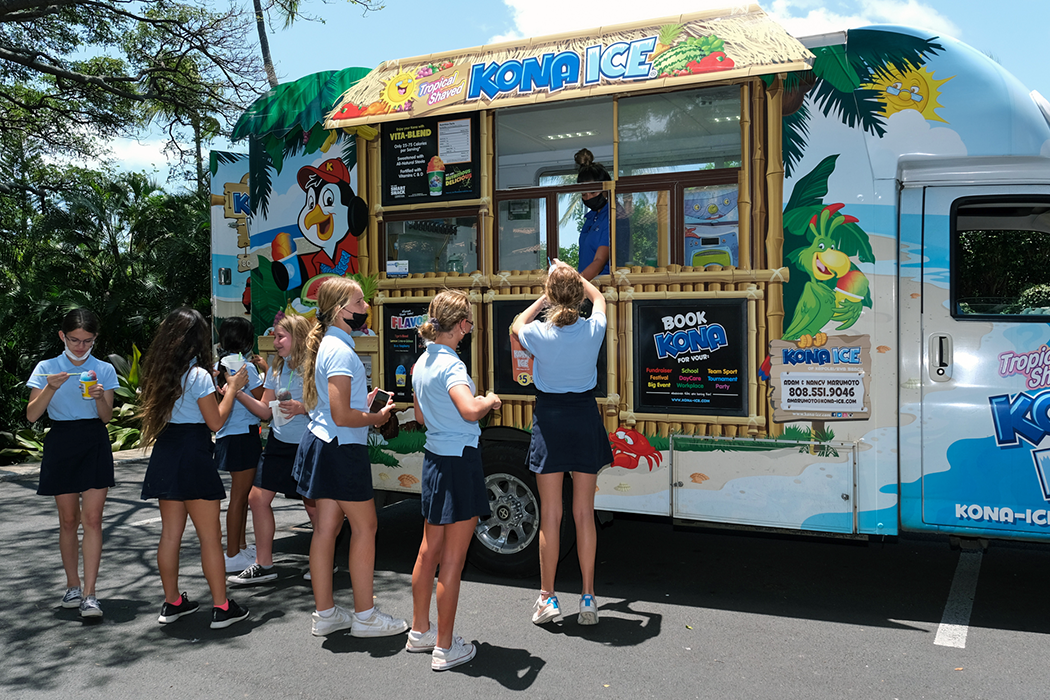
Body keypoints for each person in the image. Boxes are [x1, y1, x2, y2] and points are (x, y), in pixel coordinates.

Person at [292, 277, 408, 638]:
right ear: (340, 310)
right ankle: (365, 616)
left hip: (325, 444)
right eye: (358, 303)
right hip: (342, 447)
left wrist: (364, 405)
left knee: (326, 529)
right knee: (365, 527)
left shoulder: (331, 344)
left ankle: (326, 613)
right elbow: (343, 415)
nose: (365, 308)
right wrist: (377, 417)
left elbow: (336, 407)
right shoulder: (341, 351)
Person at [511, 260, 612, 626]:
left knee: (551, 515)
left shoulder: (538, 333)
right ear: (578, 297)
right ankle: (588, 597)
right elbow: (598, 296)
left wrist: (544, 296)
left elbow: (515, 324)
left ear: (552, 296)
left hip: (551, 421)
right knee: (584, 513)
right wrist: (574, 276)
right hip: (584, 418)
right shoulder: (595, 328)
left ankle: (548, 598)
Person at [138, 308, 251, 629]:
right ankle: (222, 606)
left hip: (167, 452)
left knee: (170, 535)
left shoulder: (160, 372)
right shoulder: (199, 375)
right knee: (210, 538)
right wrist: (232, 388)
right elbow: (215, 421)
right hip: (194, 453)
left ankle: (172, 602)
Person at [407, 290, 500, 671]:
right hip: (459, 462)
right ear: (461, 324)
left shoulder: (422, 363)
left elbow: (422, 417)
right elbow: (468, 409)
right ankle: (445, 648)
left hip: (434, 461)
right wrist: (489, 400)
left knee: (428, 551)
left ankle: (420, 632)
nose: (469, 329)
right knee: (452, 561)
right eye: (469, 322)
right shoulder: (452, 366)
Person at [26, 308, 118, 620]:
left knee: (92, 520)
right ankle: (72, 586)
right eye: (75, 340)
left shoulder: (103, 369)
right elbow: (32, 415)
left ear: (95, 340)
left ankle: (90, 594)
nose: (81, 347)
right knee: (68, 520)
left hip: (93, 439)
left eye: (88, 341)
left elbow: (106, 417)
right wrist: (50, 386)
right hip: (61, 440)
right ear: (62, 336)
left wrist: (98, 397)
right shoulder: (46, 367)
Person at [228, 313, 318, 585]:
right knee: (257, 499)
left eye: (280, 336)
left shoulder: (315, 367)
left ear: (298, 337)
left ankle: (322, 560)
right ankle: (263, 564)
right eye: (275, 336)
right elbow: (265, 412)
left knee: (314, 508)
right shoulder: (276, 369)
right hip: (278, 443)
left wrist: (303, 409)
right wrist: (237, 392)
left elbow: (329, 407)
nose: (275, 342)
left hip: (308, 443)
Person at [213, 316, 265, 574]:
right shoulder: (246, 367)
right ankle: (233, 552)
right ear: (246, 340)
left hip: (225, 434)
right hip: (244, 435)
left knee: (240, 496)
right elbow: (262, 398)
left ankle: (241, 546)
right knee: (239, 497)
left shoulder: (218, 365)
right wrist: (266, 370)